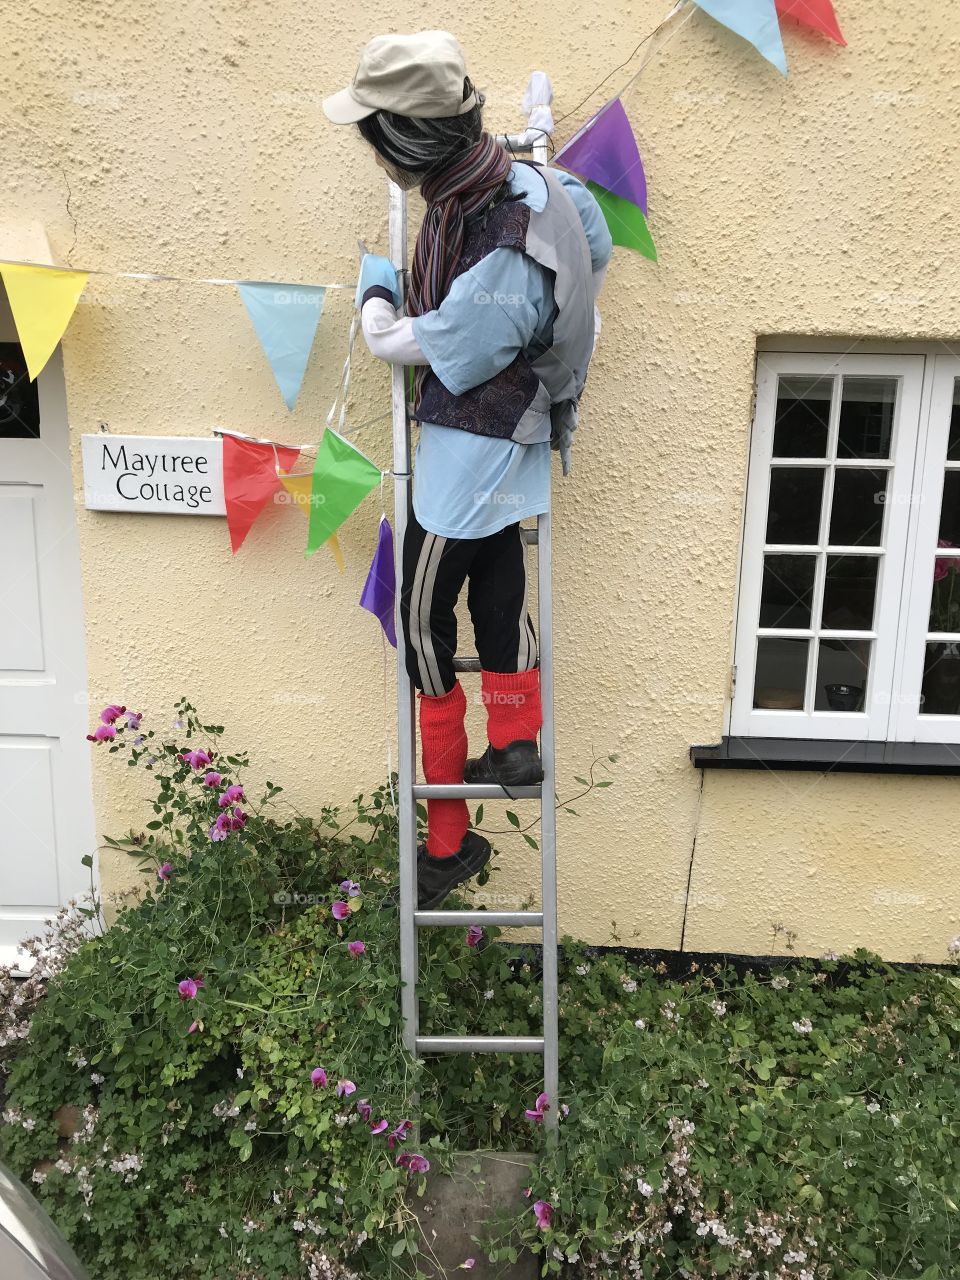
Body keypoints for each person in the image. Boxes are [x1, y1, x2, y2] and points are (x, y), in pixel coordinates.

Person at [323, 30, 612, 908]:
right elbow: (595, 243)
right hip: (514, 440)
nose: (374, 152)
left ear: (405, 137)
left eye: (376, 134)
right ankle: (514, 746)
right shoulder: (529, 186)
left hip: (470, 446)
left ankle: (448, 841)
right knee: (497, 590)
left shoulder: (502, 223)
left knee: (419, 624)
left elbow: (449, 343)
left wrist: (379, 311)